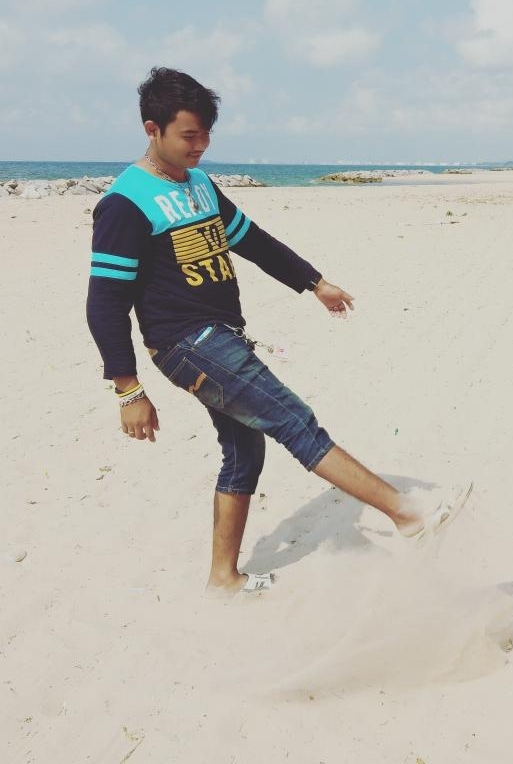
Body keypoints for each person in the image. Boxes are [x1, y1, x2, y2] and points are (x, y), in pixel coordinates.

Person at [86, 67, 471, 595]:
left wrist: (314, 282)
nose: (200, 147)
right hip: (188, 344)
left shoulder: (199, 185)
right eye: (189, 136)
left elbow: (252, 241)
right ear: (152, 129)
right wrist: (127, 388)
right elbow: (105, 302)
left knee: (245, 451)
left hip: (220, 336)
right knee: (294, 420)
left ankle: (224, 579)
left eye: (206, 135)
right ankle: (408, 516)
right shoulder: (124, 204)